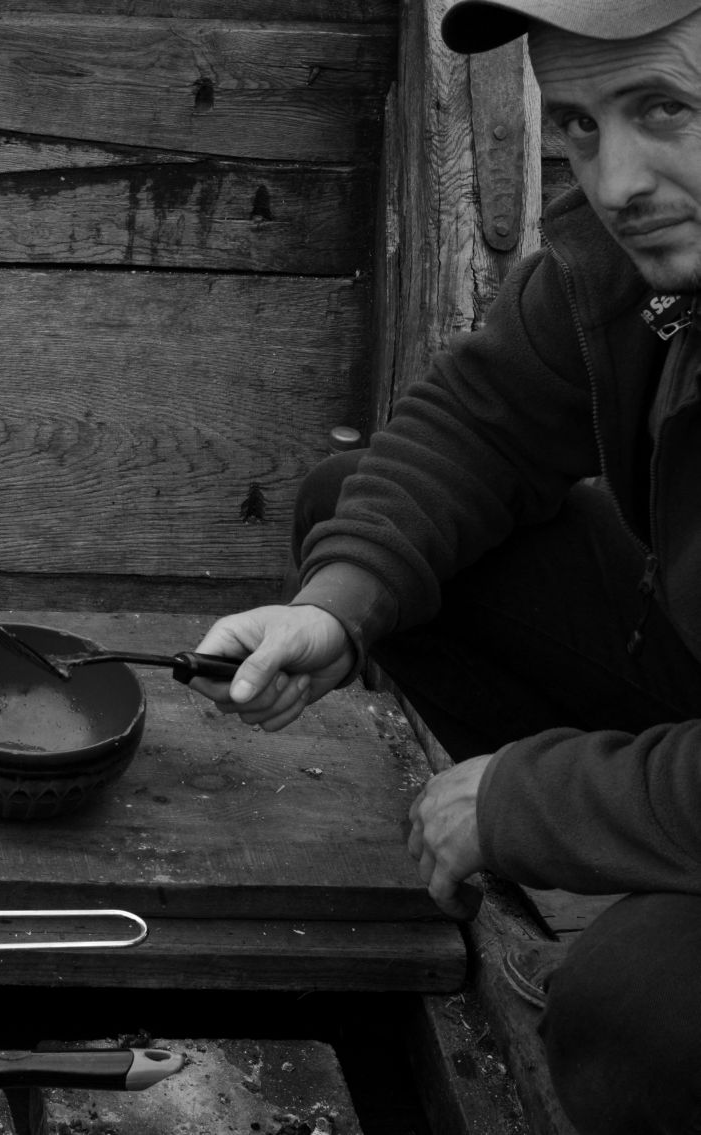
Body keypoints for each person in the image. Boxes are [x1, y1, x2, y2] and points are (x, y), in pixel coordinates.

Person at [187, 1, 701, 1130]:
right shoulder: (639, 261)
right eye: (578, 124)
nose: (617, 182)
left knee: (638, 1020)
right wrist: (335, 609)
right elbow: (481, 423)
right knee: (359, 515)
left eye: (664, 108)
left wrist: (529, 801)